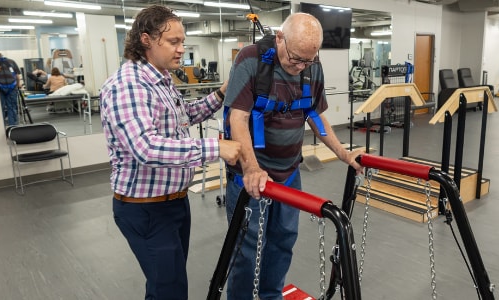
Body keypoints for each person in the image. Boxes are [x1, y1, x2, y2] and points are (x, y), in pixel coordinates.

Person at [99, 5, 241, 299]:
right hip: (146, 208)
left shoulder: (161, 80)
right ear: (146, 40)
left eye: (182, 41)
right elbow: (145, 147)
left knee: (169, 285)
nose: (181, 49)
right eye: (174, 42)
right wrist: (216, 147)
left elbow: (184, 115)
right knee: (170, 290)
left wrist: (221, 93)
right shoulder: (129, 85)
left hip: (174, 203)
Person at [222, 13, 363, 299]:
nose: (300, 67)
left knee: (282, 241)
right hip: (251, 177)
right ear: (279, 39)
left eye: (307, 61)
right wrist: (251, 169)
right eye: (295, 58)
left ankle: (271, 296)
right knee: (247, 250)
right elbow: (238, 118)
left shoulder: (312, 67)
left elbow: (315, 115)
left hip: (288, 174)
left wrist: (344, 153)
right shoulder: (250, 60)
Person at [0, 51, 22, 126]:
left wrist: (17, 85)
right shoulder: (10, 61)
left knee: (7, 108)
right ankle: (11, 126)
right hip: (4, 88)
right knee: (9, 108)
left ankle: (11, 126)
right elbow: (17, 76)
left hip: (10, 88)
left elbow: (16, 75)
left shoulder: (10, 62)